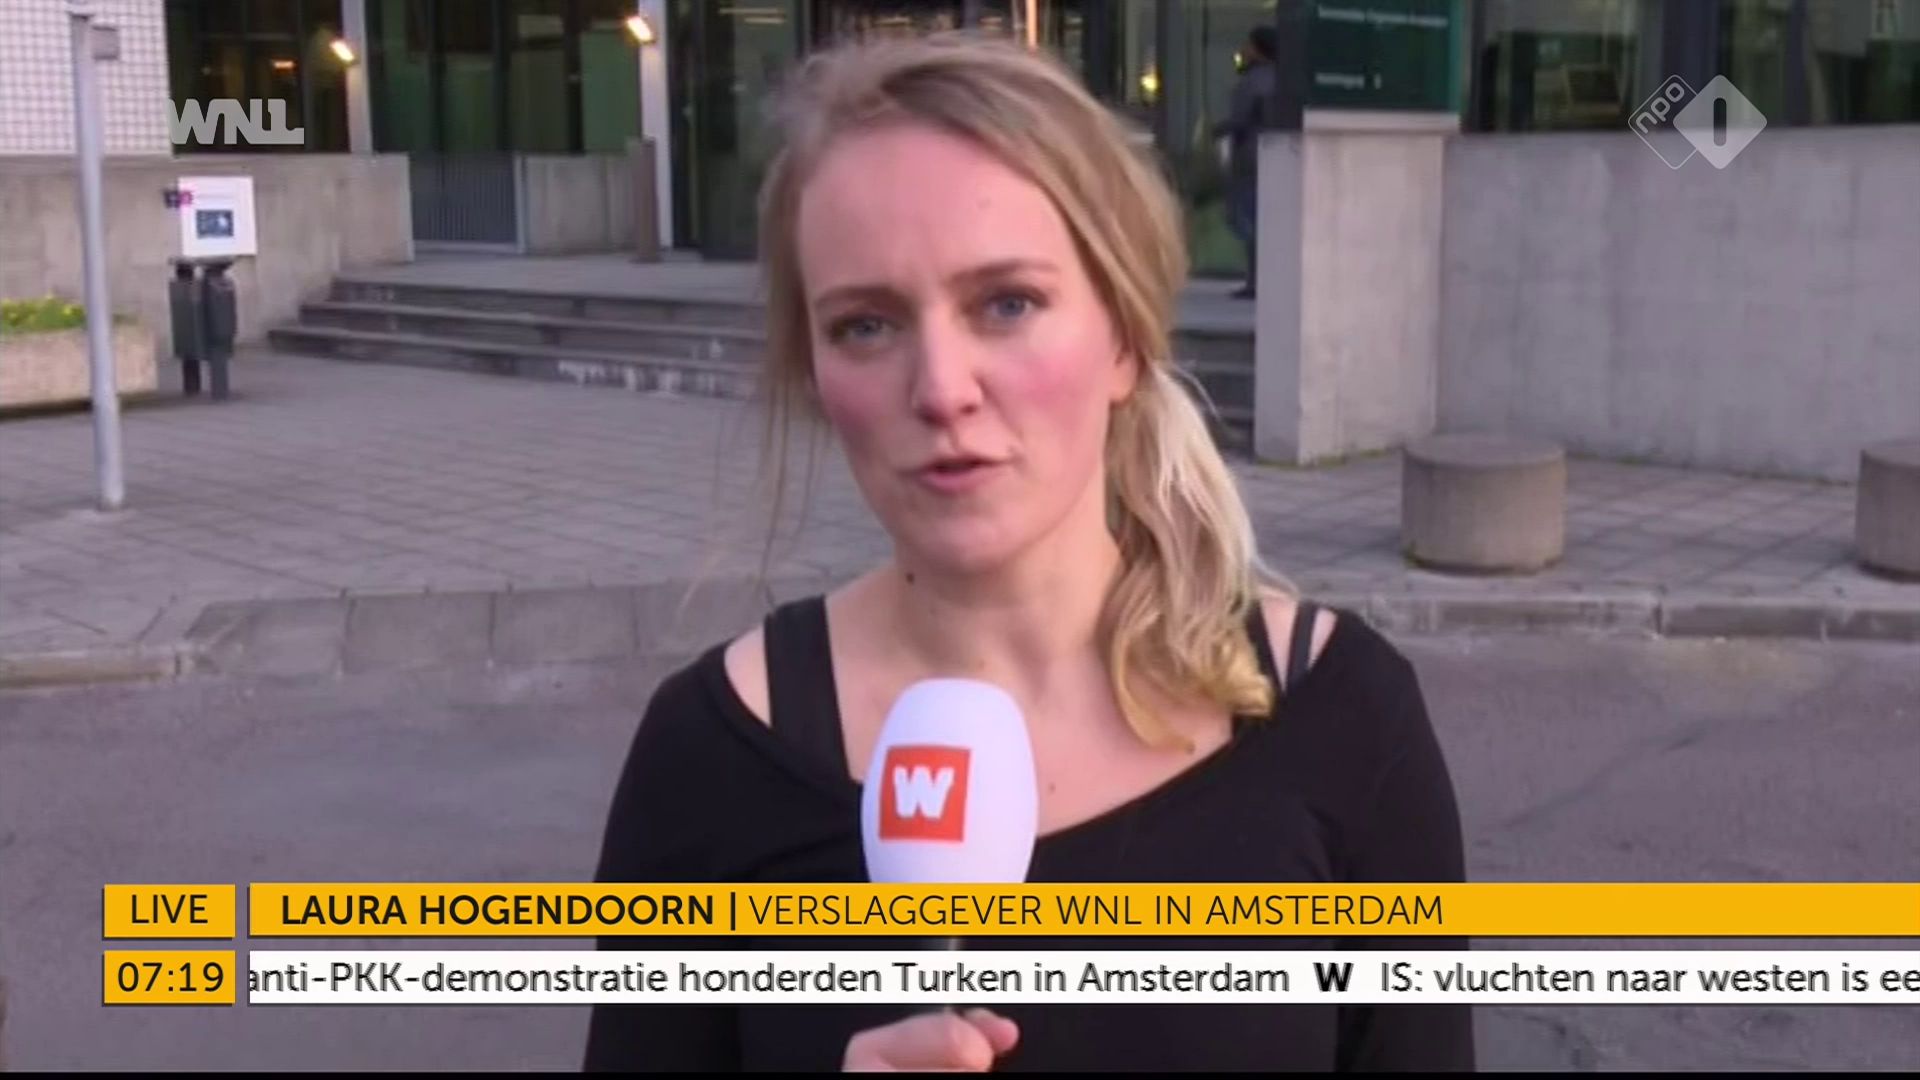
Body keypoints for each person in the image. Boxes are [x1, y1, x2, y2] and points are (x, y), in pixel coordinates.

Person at [583, 33, 1473, 1072]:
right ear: (815, 373)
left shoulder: (1343, 715)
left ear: (1124, 337)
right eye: (866, 325)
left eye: (1006, 303)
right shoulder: (710, 754)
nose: (941, 388)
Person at [1212, 25, 1281, 299]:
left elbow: (1239, 119)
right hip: (1273, 156)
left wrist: (1217, 131)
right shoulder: (1282, 78)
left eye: (1248, 45)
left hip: (1250, 157)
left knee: (1249, 219)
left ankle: (1256, 280)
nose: (1243, 50)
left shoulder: (1252, 81)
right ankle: (1265, 278)